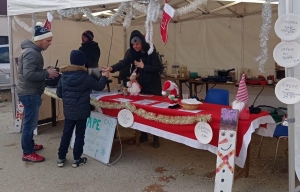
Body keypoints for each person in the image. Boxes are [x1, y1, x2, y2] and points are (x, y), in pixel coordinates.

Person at [102, 30, 162, 148]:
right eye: (133, 45)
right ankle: (144, 135)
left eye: (137, 44)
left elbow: (158, 68)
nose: (135, 47)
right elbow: (123, 63)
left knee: (153, 112)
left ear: (142, 43)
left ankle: (156, 138)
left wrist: (144, 66)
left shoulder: (151, 51)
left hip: (153, 86)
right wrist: (111, 68)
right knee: (142, 111)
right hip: (142, 85)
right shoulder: (132, 52)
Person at [56, 50, 109, 168]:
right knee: (80, 134)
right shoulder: (85, 76)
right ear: (83, 63)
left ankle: (61, 158)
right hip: (82, 111)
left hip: (69, 111)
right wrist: (104, 77)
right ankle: (76, 159)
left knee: (66, 134)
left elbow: (59, 94)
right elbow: (99, 86)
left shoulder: (63, 76)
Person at [17, 24, 59, 162]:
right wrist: (47, 73)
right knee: (30, 124)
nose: (50, 43)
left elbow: (30, 71)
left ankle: (30, 145)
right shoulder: (31, 52)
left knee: (30, 122)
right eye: (48, 40)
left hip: (28, 91)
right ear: (40, 40)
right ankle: (27, 152)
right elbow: (29, 74)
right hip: (30, 93)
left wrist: (45, 71)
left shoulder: (32, 51)